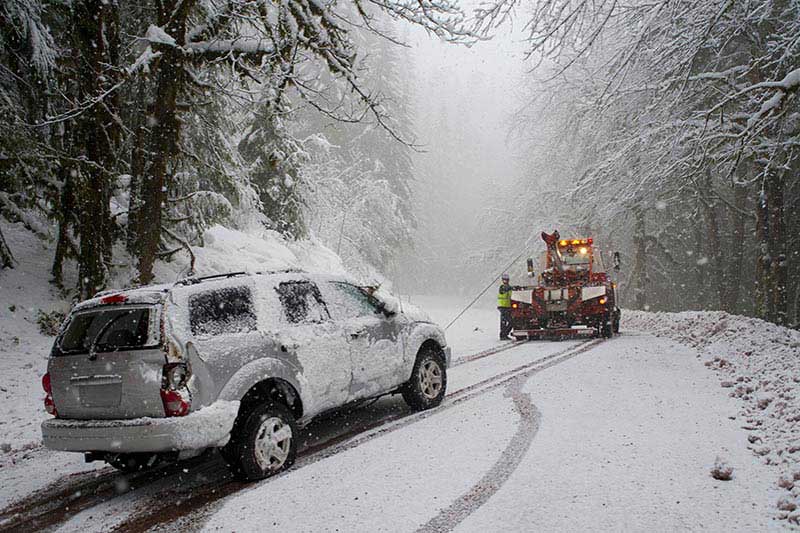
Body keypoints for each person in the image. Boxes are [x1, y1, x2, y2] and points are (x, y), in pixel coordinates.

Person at [497, 273, 521, 340]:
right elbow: (506, 289)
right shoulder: (502, 287)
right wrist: (513, 287)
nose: (505, 281)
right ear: (502, 280)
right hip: (502, 307)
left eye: (507, 280)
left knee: (504, 322)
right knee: (510, 321)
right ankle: (504, 334)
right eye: (504, 280)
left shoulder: (509, 288)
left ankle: (503, 335)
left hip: (507, 307)